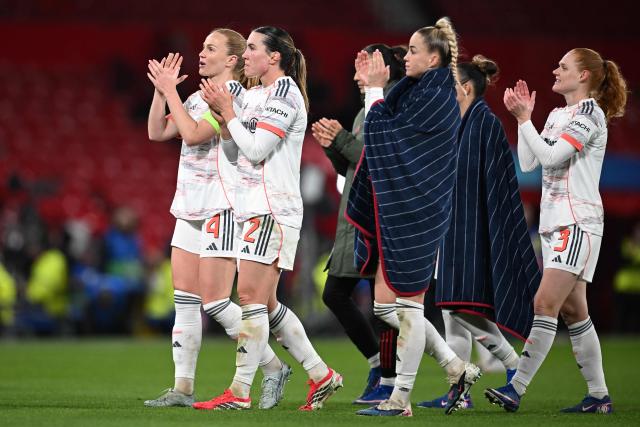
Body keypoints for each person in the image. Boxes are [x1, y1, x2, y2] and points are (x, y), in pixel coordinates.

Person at [193, 26, 342, 411]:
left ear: (274, 56)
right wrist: (225, 122)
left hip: (273, 208)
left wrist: (229, 113)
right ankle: (321, 374)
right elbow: (233, 152)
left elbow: (258, 149)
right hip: (250, 207)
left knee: (249, 298)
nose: (246, 55)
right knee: (268, 303)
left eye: (253, 48)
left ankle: (240, 391)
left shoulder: (285, 93)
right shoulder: (255, 94)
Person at [144, 28, 289, 409]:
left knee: (214, 302)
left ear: (231, 60)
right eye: (203, 46)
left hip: (220, 204)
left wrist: (170, 91)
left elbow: (192, 135)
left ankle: (272, 365)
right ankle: (183, 387)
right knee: (184, 300)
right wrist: (163, 92)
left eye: (211, 48)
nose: (201, 53)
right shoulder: (195, 96)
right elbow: (158, 132)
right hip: (188, 203)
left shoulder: (232, 98)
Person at [347, 17, 481, 417]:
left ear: (434, 57)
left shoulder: (438, 97)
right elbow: (384, 130)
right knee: (388, 307)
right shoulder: (423, 92)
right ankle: (456, 367)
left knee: (405, 306)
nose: (406, 57)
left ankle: (400, 399)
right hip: (408, 209)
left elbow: (385, 138)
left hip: (419, 211)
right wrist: (370, 89)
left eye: (412, 50)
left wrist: (374, 89)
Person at [484, 48, 628, 414]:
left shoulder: (590, 114)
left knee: (544, 303)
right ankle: (599, 396)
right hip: (554, 223)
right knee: (574, 312)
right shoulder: (556, 114)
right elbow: (530, 162)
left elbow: (551, 158)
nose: (555, 70)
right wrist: (524, 119)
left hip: (577, 220)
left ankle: (516, 388)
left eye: (563, 66)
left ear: (584, 76)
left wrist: (525, 120)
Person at [417, 55, 541, 410]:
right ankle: (460, 392)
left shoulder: (484, 123)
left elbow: (496, 184)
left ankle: (514, 365)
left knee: (459, 307)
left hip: (470, 231)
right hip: (450, 229)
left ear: (466, 88)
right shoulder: (456, 124)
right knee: (450, 313)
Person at [311, 43, 406, 405]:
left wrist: (342, 141)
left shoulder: (391, 105)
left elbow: (376, 162)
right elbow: (355, 169)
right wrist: (334, 146)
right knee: (336, 294)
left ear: (381, 69)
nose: (354, 76)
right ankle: (379, 367)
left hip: (380, 219)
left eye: (362, 67)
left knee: (383, 306)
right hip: (357, 214)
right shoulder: (365, 111)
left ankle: (395, 376)